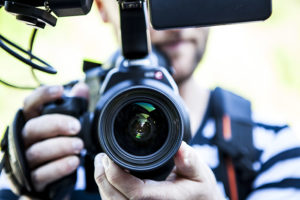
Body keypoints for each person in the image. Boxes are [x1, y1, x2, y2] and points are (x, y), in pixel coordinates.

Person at [1, 0, 300, 199]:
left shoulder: (271, 145)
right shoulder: (53, 135)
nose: (175, 23)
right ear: (103, 6)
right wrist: (20, 183)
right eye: (150, 1)